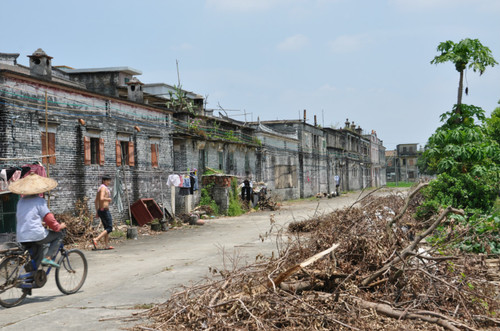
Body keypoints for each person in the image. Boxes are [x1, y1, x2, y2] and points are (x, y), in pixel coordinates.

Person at [10, 173, 66, 268]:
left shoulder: (20, 202)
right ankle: (48, 258)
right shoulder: (39, 201)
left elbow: (27, 218)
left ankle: (33, 276)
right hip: (35, 235)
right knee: (59, 235)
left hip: (22, 236)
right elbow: (49, 219)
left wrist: (40, 223)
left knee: (37, 253)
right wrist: (59, 226)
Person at [93, 175, 114, 250]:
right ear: (103, 181)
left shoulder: (100, 188)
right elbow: (101, 198)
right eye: (107, 180)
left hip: (101, 210)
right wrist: (108, 199)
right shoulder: (103, 188)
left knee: (106, 228)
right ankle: (96, 239)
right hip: (104, 210)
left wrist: (97, 211)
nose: (109, 182)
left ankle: (106, 245)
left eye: (109, 180)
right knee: (109, 228)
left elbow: (96, 201)